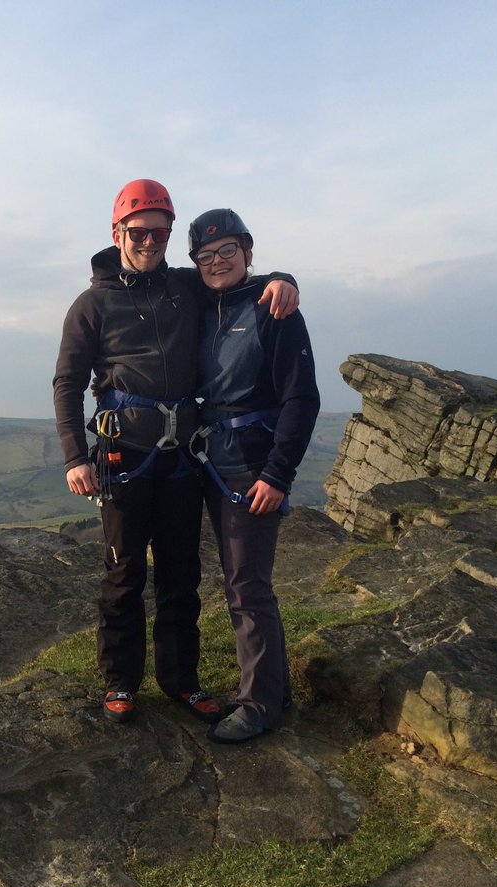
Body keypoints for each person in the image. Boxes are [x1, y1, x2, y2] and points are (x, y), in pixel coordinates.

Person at [53, 180, 299, 726]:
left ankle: (180, 680)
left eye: (160, 232)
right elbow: (66, 382)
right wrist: (75, 456)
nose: (150, 241)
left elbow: (234, 279)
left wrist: (283, 280)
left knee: (180, 574)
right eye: (139, 231)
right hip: (123, 455)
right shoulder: (91, 304)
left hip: (183, 457)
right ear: (118, 233)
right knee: (122, 574)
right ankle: (120, 680)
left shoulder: (184, 287)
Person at [185, 208, 320, 744]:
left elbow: (301, 398)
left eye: (228, 253)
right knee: (244, 583)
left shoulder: (272, 309)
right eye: (207, 257)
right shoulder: (203, 304)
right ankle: (275, 688)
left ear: (247, 253)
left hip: (252, 468)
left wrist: (278, 474)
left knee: (246, 586)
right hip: (209, 461)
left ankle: (259, 705)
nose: (218, 263)